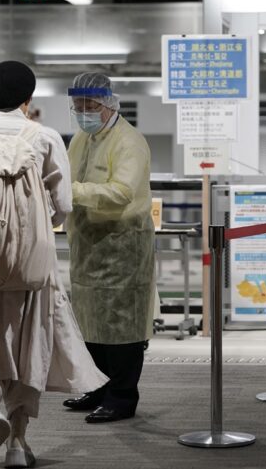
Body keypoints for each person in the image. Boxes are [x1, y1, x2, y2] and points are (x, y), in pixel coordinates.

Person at [0, 61, 107, 469]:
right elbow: (63, 204)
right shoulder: (46, 137)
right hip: (33, 265)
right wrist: (34, 227)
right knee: (27, 344)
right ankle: (16, 443)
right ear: (28, 99)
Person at [63, 72, 155, 424]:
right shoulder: (81, 140)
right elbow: (68, 178)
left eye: (88, 106)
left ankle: (122, 397)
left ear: (107, 104)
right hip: (88, 247)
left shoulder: (128, 140)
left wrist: (72, 192)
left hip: (121, 248)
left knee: (122, 328)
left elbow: (122, 192)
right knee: (91, 326)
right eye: (77, 107)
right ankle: (98, 388)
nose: (83, 112)